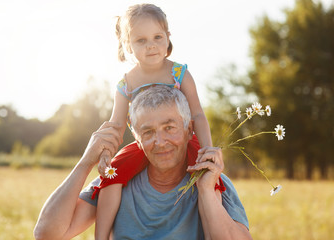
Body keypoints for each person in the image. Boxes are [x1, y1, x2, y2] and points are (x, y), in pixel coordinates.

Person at [34, 86, 252, 240]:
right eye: (148, 132)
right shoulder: (117, 181)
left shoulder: (214, 182)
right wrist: (85, 162)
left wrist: (205, 191)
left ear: (189, 130)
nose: (160, 142)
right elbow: (46, 234)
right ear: (136, 138)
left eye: (169, 128)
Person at [95, 4, 214, 238]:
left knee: (208, 178)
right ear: (128, 45)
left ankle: (211, 233)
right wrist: (106, 154)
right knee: (112, 174)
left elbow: (198, 114)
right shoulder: (126, 83)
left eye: (157, 37)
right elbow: (117, 125)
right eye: (141, 40)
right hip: (145, 145)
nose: (151, 45)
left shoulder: (178, 73)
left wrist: (207, 148)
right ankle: (102, 236)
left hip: (181, 141)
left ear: (168, 38)